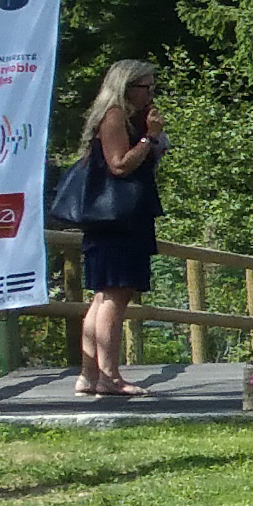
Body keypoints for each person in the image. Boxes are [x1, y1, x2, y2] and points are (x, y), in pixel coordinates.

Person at [67, 61, 166, 401]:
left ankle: (90, 374)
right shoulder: (114, 116)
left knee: (105, 296)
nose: (151, 95)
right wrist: (149, 138)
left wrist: (152, 140)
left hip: (121, 219)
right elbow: (119, 165)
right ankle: (108, 376)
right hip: (116, 220)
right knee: (115, 295)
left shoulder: (126, 119)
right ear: (126, 87)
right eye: (146, 88)